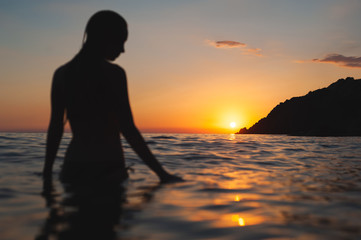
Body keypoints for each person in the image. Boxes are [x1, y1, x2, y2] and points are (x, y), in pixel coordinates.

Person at [43, 10, 182, 187]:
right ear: (104, 38)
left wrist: (47, 174)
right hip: (107, 170)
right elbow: (128, 129)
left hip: (72, 170)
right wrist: (162, 174)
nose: (123, 50)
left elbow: (55, 128)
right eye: (120, 42)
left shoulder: (61, 74)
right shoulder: (114, 74)